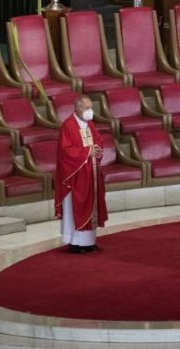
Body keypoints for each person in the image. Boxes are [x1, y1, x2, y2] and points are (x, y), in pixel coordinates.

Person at [55, 95, 107, 253]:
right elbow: (66, 150)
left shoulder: (89, 124)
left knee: (92, 205)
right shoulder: (68, 126)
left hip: (91, 173)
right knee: (76, 207)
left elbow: (98, 140)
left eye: (90, 108)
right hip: (76, 175)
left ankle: (89, 242)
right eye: (86, 108)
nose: (90, 111)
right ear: (77, 108)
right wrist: (87, 152)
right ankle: (76, 243)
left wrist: (97, 149)